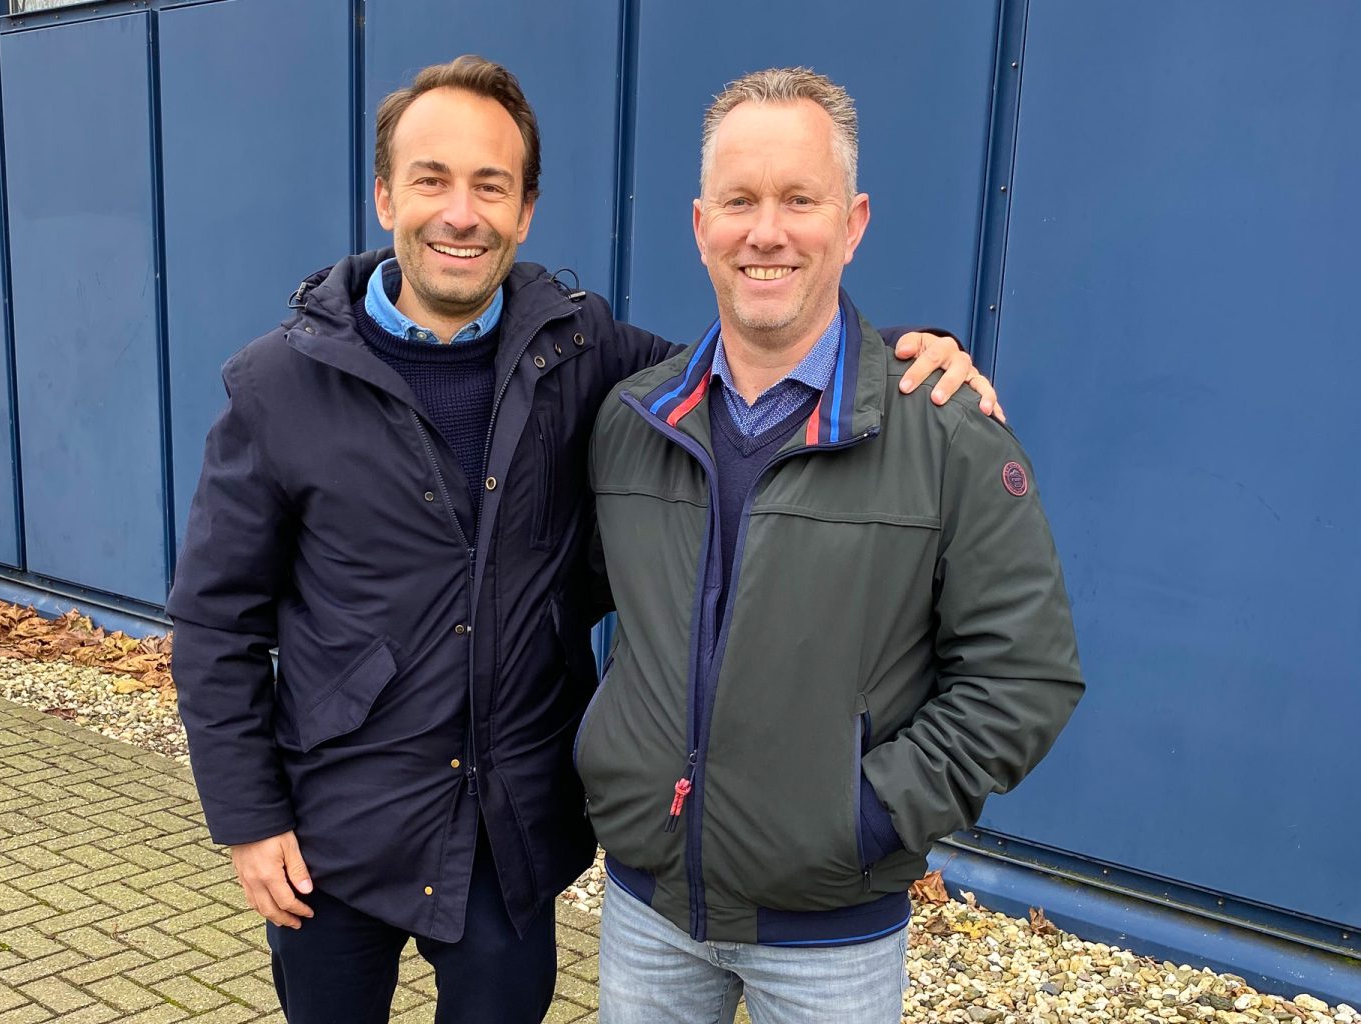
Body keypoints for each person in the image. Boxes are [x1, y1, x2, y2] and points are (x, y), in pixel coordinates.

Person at [166, 56, 997, 1024]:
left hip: (509, 836)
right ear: (387, 195)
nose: (461, 214)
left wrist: (903, 350)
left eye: (492, 186)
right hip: (334, 827)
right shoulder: (278, 385)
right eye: (432, 180)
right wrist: (250, 816)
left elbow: (751, 363)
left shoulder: (582, 351)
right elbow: (215, 621)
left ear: (526, 211)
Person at [579, 67, 1085, 1024]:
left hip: (831, 935)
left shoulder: (947, 435)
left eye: (799, 200)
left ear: (851, 224)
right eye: (740, 201)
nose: (766, 231)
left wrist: (867, 817)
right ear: (701, 225)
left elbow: (1024, 674)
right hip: (647, 911)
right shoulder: (632, 421)